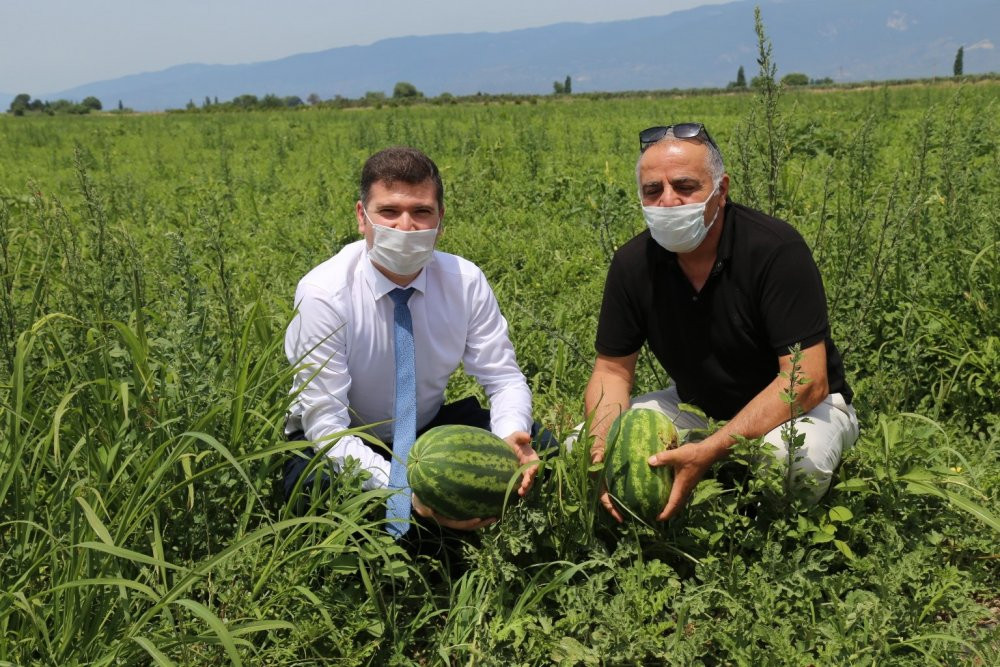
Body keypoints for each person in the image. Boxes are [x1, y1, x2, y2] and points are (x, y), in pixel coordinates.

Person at [585, 123, 859, 522]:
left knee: (790, 462)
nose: (668, 201)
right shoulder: (633, 264)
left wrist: (713, 449)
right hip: (698, 404)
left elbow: (806, 380)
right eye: (652, 191)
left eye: (685, 186)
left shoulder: (774, 250)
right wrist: (601, 450)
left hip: (806, 408)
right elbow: (611, 371)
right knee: (584, 443)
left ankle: (766, 537)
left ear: (722, 189)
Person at [283, 146, 540, 538]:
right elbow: (326, 425)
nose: (406, 227)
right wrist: (404, 488)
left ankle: (447, 530)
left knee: (542, 448)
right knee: (316, 498)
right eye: (389, 212)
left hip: (427, 431)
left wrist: (509, 439)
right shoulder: (324, 294)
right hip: (344, 438)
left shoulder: (465, 282)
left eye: (422, 212)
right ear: (361, 217)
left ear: (440, 221)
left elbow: (503, 378)